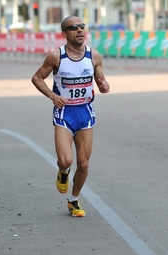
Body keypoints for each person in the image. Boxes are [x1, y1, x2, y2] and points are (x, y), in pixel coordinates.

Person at [31, 16, 110, 217]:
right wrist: (52, 95)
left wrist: (104, 85)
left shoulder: (94, 56)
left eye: (82, 26)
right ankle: (63, 171)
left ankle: (73, 200)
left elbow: (101, 82)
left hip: (85, 112)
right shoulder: (56, 57)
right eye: (74, 27)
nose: (80, 30)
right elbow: (37, 78)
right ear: (64, 34)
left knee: (83, 163)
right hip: (64, 113)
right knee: (66, 160)